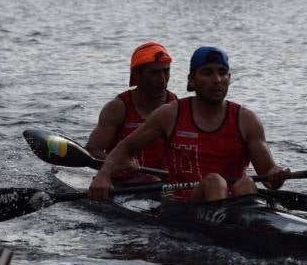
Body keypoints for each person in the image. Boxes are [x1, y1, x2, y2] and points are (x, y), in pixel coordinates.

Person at [89, 46, 289, 202]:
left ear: (229, 79)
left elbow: (268, 177)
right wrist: (104, 175)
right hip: (183, 202)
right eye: (207, 73)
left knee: (245, 184)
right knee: (214, 181)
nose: (217, 79)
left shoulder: (248, 120)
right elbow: (126, 146)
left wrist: (275, 174)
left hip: (234, 200)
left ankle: (248, 229)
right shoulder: (170, 113)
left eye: (222, 73)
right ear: (192, 81)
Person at [85, 41, 178, 173]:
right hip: (122, 183)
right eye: (154, 73)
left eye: (166, 71)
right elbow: (92, 150)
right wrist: (118, 163)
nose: (162, 80)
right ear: (136, 75)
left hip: (161, 182)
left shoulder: (175, 105)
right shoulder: (117, 108)